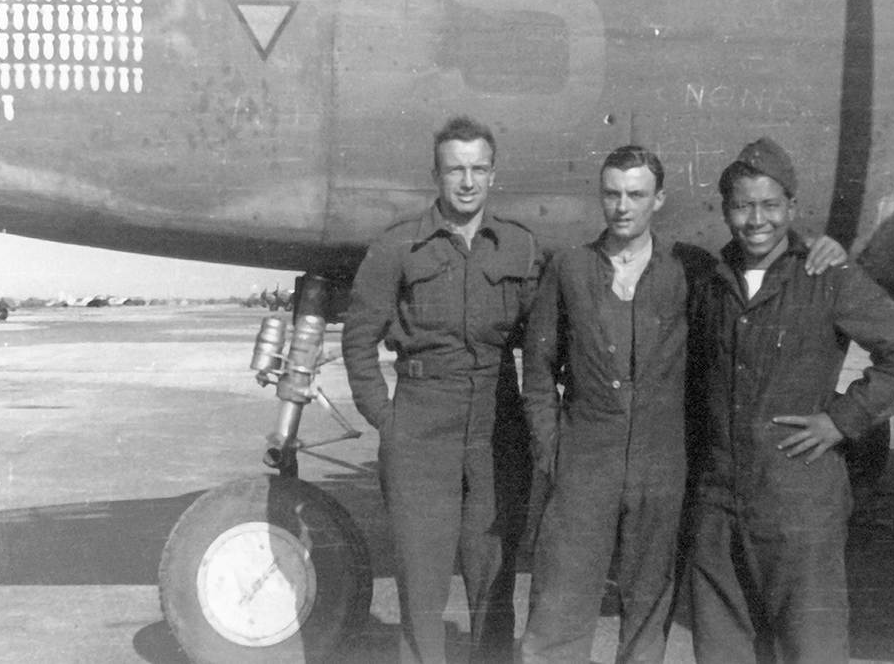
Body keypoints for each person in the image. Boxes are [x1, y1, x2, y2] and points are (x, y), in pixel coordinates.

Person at [519, 146, 844, 664]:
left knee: (649, 613)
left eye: (636, 195)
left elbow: (759, 261)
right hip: (585, 464)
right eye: (612, 194)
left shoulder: (692, 269)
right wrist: (551, 450)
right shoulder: (570, 268)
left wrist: (817, 247)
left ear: (659, 200)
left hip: (662, 469)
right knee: (558, 608)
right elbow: (538, 371)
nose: (623, 207)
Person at [686, 137, 894, 664]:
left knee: (811, 649)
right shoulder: (711, 283)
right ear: (726, 211)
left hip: (798, 504)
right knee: (722, 648)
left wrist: (842, 419)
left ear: (791, 207)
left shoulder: (826, 276)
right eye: (743, 206)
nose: (757, 220)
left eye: (770, 205)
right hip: (719, 505)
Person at [342, 115, 541, 662]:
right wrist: (388, 421)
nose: (468, 182)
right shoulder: (398, 245)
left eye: (478, 169)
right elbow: (359, 340)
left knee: (494, 584)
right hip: (421, 427)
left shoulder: (520, 247)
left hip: (498, 426)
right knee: (421, 588)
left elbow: (543, 343)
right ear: (436, 175)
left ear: (494, 174)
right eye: (456, 170)